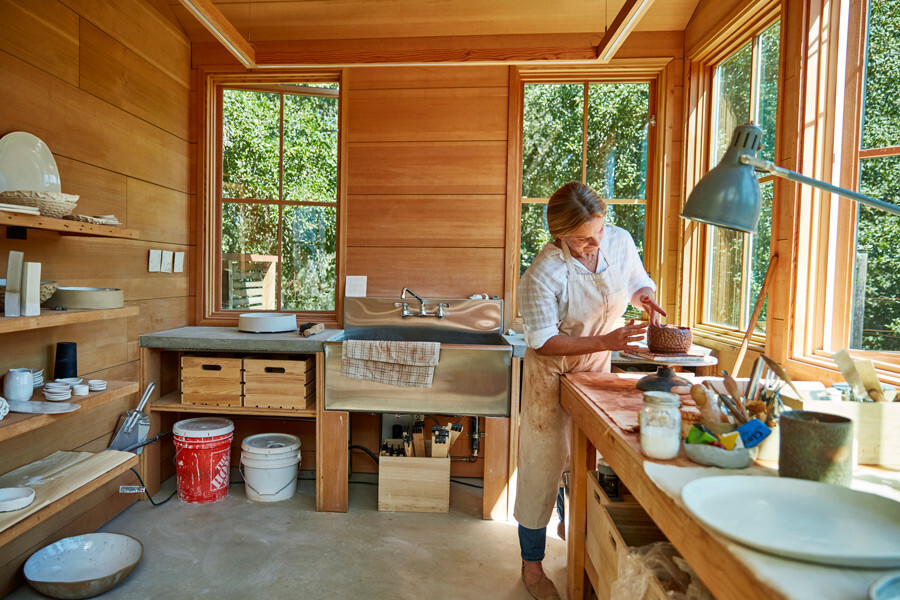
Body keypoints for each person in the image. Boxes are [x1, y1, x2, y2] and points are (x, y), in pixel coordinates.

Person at [514, 182, 665, 599]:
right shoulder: (543, 274)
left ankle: (575, 530)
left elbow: (635, 280)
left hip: (596, 367)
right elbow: (543, 340)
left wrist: (646, 299)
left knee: (586, 460)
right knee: (543, 467)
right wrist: (607, 342)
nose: (594, 243)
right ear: (559, 234)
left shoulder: (617, 240)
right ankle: (531, 567)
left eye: (598, 231)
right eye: (582, 238)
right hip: (551, 371)